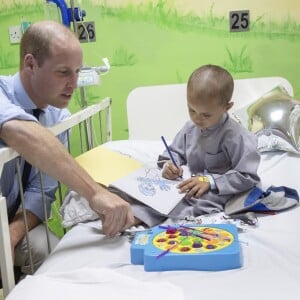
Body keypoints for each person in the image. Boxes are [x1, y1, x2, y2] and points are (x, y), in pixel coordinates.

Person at [0, 20, 134, 280]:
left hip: (12, 221)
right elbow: (19, 131)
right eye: (63, 73)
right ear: (30, 64)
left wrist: (11, 237)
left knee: (52, 253)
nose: (74, 83)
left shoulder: (60, 117)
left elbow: (41, 192)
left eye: (77, 71)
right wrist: (94, 193)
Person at [128, 64, 261, 227]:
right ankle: (134, 212)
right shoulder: (190, 128)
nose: (197, 119)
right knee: (155, 192)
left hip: (220, 189)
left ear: (227, 107)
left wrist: (209, 181)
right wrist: (170, 164)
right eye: (191, 110)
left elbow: (248, 176)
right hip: (192, 184)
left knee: (195, 204)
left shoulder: (237, 136)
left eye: (206, 114)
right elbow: (174, 152)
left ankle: (151, 220)